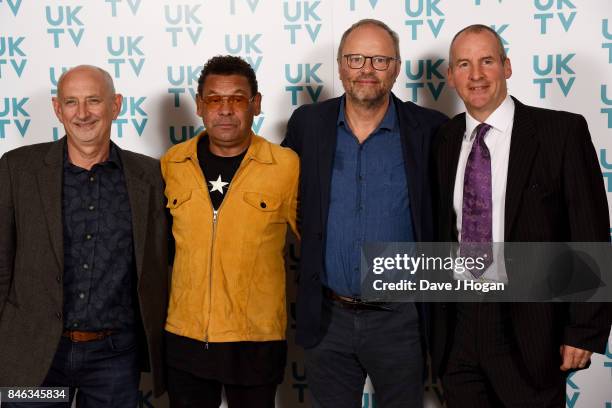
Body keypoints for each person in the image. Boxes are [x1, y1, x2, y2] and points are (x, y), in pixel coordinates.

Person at [430, 24, 612, 407]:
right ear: (450, 77)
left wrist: (584, 329)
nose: (476, 75)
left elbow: (590, 232)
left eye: (487, 61)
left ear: (507, 67)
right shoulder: (442, 141)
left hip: (531, 327)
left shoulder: (560, 132)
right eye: (464, 64)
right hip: (459, 325)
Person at [283, 19, 447, 408]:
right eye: (355, 59)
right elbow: (283, 197)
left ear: (396, 67)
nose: (366, 69)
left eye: (379, 59)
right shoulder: (308, 123)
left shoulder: (430, 129)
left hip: (401, 320)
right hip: (328, 317)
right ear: (340, 66)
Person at [0, 65, 169, 407]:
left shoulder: (150, 176)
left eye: (94, 100)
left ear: (116, 105)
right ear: (57, 108)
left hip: (115, 358)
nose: (83, 113)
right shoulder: (17, 169)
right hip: (32, 352)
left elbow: (163, 265)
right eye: (71, 102)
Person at [161, 55, 299, 408]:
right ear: (199, 106)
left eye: (237, 99)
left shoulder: (286, 166)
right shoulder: (171, 164)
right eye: (214, 99)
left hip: (256, 339)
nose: (225, 109)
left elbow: (318, 244)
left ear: (256, 104)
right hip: (185, 336)